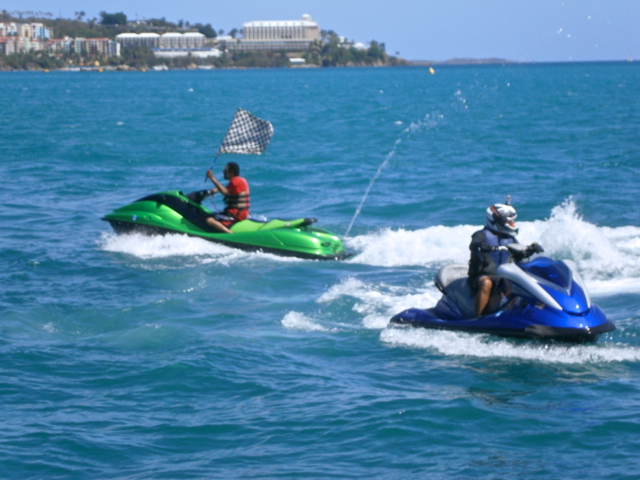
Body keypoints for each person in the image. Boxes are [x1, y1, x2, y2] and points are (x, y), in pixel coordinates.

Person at [468, 201, 542, 317]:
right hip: (482, 276)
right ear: (495, 221)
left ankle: (524, 315)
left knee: (518, 283)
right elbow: (474, 244)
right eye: (508, 221)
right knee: (486, 283)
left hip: (502, 276)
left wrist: (531, 250)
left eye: (512, 221)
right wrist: (481, 245)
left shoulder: (510, 239)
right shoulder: (481, 235)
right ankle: (478, 318)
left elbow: (519, 255)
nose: (512, 223)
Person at [204, 162, 250, 234]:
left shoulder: (234, 181)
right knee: (214, 214)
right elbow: (232, 190)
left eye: (226, 170)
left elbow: (225, 192)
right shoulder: (241, 180)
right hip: (243, 213)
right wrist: (217, 189)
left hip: (236, 214)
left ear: (231, 172)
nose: (223, 171)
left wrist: (212, 177)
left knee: (209, 220)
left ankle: (230, 234)